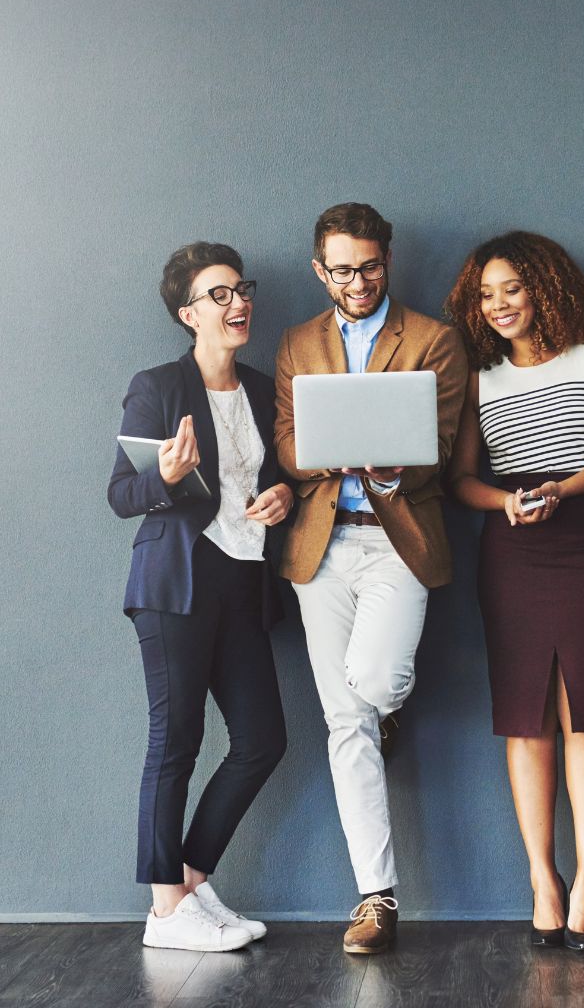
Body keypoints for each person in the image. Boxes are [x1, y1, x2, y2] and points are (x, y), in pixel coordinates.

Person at [274, 202, 467, 954]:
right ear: (321, 270)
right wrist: (342, 453)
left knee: (374, 684)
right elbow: (291, 447)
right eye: (343, 270)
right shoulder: (297, 342)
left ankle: (385, 708)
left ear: (389, 261)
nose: (359, 281)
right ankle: (377, 898)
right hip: (320, 549)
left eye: (371, 266)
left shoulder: (433, 339)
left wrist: (392, 465)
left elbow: (443, 448)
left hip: (398, 540)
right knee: (345, 725)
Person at [444, 231, 584, 951]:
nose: (499, 304)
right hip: (514, 547)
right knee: (524, 717)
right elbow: (462, 479)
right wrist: (505, 504)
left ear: (546, 290)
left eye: (513, 289)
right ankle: (543, 879)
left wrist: (563, 487)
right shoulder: (480, 377)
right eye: (487, 293)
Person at [108, 242, 293, 952]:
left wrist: (280, 494)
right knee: (175, 740)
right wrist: (165, 474)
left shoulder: (262, 386)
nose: (238, 302)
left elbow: (276, 477)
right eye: (219, 295)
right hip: (174, 584)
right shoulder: (157, 386)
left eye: (240, 290)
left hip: (244, 579)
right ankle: (163, 912)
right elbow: (121, 494)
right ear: (189, 314)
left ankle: (189, 881)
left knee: (262, 741)